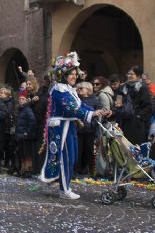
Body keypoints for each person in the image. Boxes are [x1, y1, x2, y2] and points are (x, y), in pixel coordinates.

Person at [39, 52, 108, 199]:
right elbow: (70, 107)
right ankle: (64, 190)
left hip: (68, 126)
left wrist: (96, 111)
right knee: (66, 158)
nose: (75, 76)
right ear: (63, 75)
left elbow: (80, 104)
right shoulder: (59, 90)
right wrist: (90, 114)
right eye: (71, 73)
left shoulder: (69, 90)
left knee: (72, 157)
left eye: (76, 74)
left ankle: (65, 186)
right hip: (60, 128)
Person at [113, 65, 154, 145]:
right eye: (128, 74)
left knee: (135, 147)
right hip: (123, 121)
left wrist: (139, 117)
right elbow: (118, 102)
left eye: (131, 74)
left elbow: (148, 106)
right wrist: (118, 107)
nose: (129, 76)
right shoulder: (123, 87)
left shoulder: (143, 88)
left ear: (138, 76)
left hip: (136, 123)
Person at [75, 81, 101, 176]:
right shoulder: (76, 100)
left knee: (89, 151)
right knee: (78, 150)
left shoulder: (95, 100)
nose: (78, 90)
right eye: (78, 88)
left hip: (90, 130)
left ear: (88, 90)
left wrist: (92, 125)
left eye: (81, 88)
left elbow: (99, 114)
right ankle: (77, 170)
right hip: (78, 129)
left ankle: (89, 171)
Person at [14, 92, 36, 177]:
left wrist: (27, 132)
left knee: (27, 153)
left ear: (27, 100)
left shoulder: (27, 109)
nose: (21, 100)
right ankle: (22, 170)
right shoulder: (21, 109)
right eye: (19, 99)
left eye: (23, 99)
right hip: (20, 135)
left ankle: (28, 171)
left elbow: (32, 121)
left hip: (26, 135)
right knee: (22, 153)